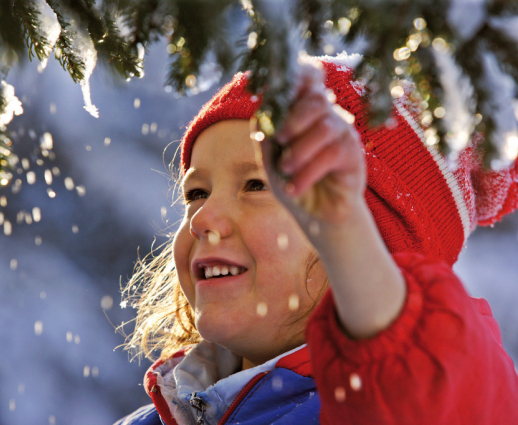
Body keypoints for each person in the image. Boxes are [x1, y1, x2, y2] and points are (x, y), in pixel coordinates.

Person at [114, 53, 518, 425]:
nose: (203, 217)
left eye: (257, 184)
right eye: (196, 193)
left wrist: (347, 237)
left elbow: (432, 383)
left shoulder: (416, 401)